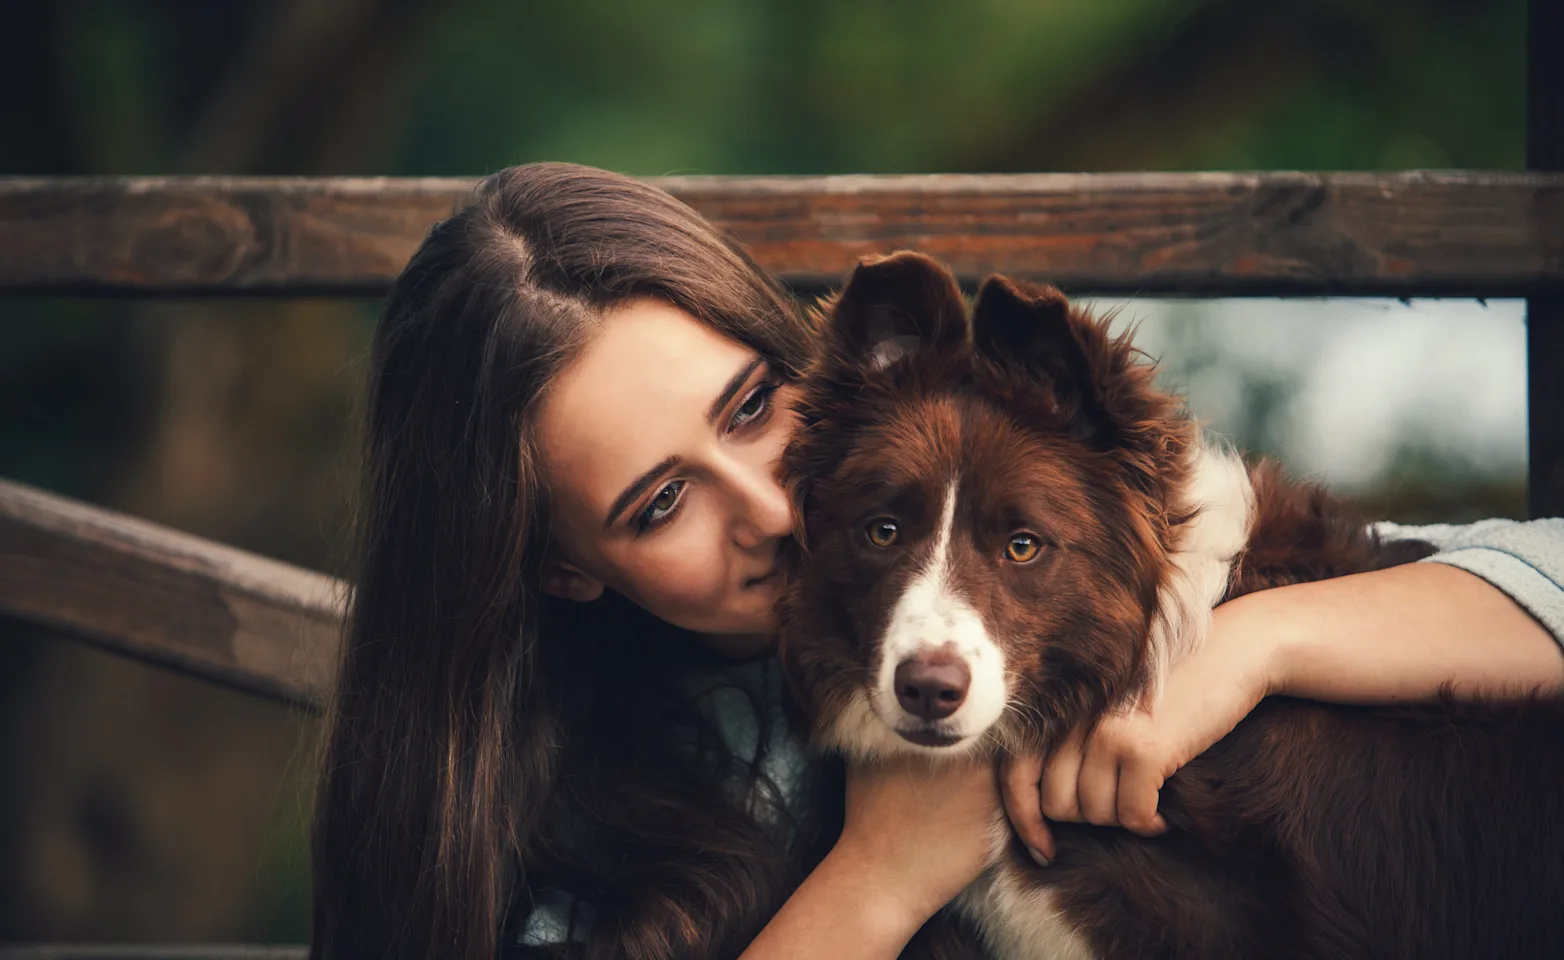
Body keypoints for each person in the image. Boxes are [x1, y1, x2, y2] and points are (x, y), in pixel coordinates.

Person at [309, 162, 1564, 960]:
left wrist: (1254, 648)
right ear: (560, 569)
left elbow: (1534, 580)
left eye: (751, 409)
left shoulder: (994, 533)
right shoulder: (554, 822)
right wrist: (875, 878)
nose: (774, 509)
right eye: (659, 503)